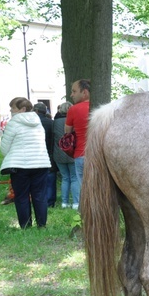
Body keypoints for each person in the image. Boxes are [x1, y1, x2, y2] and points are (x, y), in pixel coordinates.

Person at [0, 97, 52, 228]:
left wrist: (12, 155)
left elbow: (4, 147)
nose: (11, 111)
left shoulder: (13, 123)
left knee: (22, 196)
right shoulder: (38, 122)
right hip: (40, 163)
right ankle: (42, 224)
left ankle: (25, 225)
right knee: (39, 195)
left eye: (13, 108)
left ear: (22, 109)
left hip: (20, 165)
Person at [65, 79, 90, 209]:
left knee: (84, 189)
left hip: (81, 154)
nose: (71, 95)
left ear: (84, 92)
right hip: (101, 154)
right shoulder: (101, 106)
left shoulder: (73, 110)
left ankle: (85, 218)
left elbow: (67, 132)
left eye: (74, 91)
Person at [53, 102, 78, 209]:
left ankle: (64, 202)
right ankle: (76, 203)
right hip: (72, 153)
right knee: (74, 178)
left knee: (65, 178)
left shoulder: (55, 122)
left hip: (59, 153)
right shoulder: (74, 121)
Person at [33, 103, 57, 208]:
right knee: (51, 178)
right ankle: (50, 201)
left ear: (36, 111)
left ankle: (39, 200)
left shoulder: (33, 123)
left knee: (37, 179)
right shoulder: (51, 123)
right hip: (50, 153)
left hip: (35, 154)